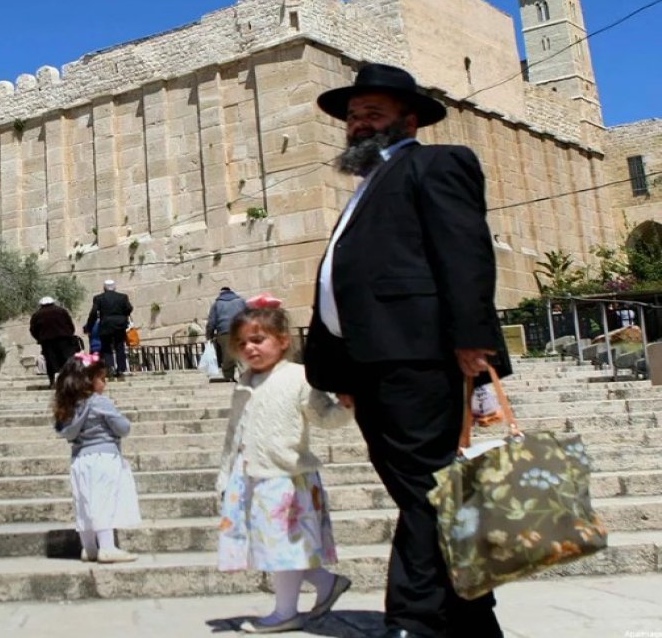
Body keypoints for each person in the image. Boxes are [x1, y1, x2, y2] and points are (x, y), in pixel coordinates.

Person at [304, 63, 511, 638]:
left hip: (417, 355)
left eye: (372, 113)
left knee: (427, 489)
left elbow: (464, 250)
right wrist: (338, 368)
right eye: (352, 116)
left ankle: (414, 620)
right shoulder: (366, 186)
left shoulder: (436, 163)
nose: (357, 124)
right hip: (368, 364)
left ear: (409, 119)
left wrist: (472, 340)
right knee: (418, 490)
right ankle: (471, 616)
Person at [215, 294, 353, 634]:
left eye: (258, 340)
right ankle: (326, 583)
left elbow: (324, 417)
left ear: (282, 341)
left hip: (287, 479)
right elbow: (235, 433)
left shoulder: (298, 378)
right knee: (274, 546)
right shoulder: (245, 383)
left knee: (281, 547)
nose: (249, 348)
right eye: (242, 343)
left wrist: (348, 404)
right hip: (252, 477)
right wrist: (225, 474)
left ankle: (285, 612)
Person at [53, 352, 141, 564]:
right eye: (102, 378)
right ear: (88, 382)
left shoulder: (69, 407)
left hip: (80, 460)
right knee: (104, 501)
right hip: (104, 457)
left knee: (84, 503)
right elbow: (123, 428)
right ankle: (108, 548)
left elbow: (64, 432)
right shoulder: (100, 402)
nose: (105, 383)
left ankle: (89, 548)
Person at [84, 280, 133, 377]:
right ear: (114, 287)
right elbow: (129, 308)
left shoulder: (98, 298)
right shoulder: (122, 297)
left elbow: (93, 313)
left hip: (105, 325)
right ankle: (121, 369)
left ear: (104, 288)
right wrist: (123, 316)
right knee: (119, 346)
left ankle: (110, 367)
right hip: (120, 325)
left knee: (106, 347)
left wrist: (89, 326)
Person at [30, 296, 81, 387]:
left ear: (41, 304)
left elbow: (33, 329)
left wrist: (39, 338)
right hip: (64, 339)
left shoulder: (37, 315)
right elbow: (70, 324)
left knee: (50, 361)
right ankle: (70, 381)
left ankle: (52, 382)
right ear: (53, 302)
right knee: (66, 359)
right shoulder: (61, 311)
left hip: (47, 341)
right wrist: (69, 334)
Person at [206, 286, 248, 381]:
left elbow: (211, 322)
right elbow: (249, 315)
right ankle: (245, 376)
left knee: (227, 356)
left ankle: (229, 377)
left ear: (221, 294)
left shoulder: (217, 304)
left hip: (224, 332)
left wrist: (209, 335)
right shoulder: (241, 301)